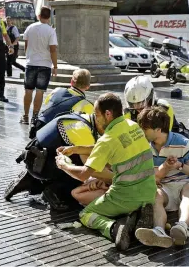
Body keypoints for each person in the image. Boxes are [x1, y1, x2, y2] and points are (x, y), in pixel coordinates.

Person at [56, 93, 157, 251]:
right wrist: (75, 149)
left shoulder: (107, 139)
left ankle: (114, 228)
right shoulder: (132, 125)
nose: (95, 119)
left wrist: (63, 165)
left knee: (85, 214)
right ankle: (137, 214)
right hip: (150, 192)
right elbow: (108, 147)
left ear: (107, 114)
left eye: (96, 114)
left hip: (125, 196)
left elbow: (83, 174)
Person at [4, 112, 112, 210]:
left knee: (73, 155)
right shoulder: (83, 131)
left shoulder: (82, 117)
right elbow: (89, 168)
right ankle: (55, 191)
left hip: (34, 157)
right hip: (43, 165)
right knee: (79, 170)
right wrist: (116, 179)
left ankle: (31, 180)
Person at [135, 107, 189, 248]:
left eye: (145, 129)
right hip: (165, 186)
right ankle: (159, 231)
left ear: (158, 129)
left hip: (186, 183)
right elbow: (154, 178)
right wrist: (166, 167)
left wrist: (180, 166)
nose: (141, 132)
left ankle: (182, 226)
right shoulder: (144, 147)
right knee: (154, 194)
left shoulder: (184, 143)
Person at [29, 69, 93, 138]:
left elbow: (47, 103)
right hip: (57, 135)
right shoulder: (86, 104)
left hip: (40, 128)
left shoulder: (57, 90)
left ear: (71, 82)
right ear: (88, 86)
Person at [21, 6, 58, 125]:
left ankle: (25, 116)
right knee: (40, 92)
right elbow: (53, 49)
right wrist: (55, 66)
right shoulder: (51, 31)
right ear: (49, 17)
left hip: (31, 63)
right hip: (45, 65)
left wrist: (29, 57)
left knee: (28, 90)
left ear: (39, 16)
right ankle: (35, 117)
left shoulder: (30, 28)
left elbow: (26, 46)